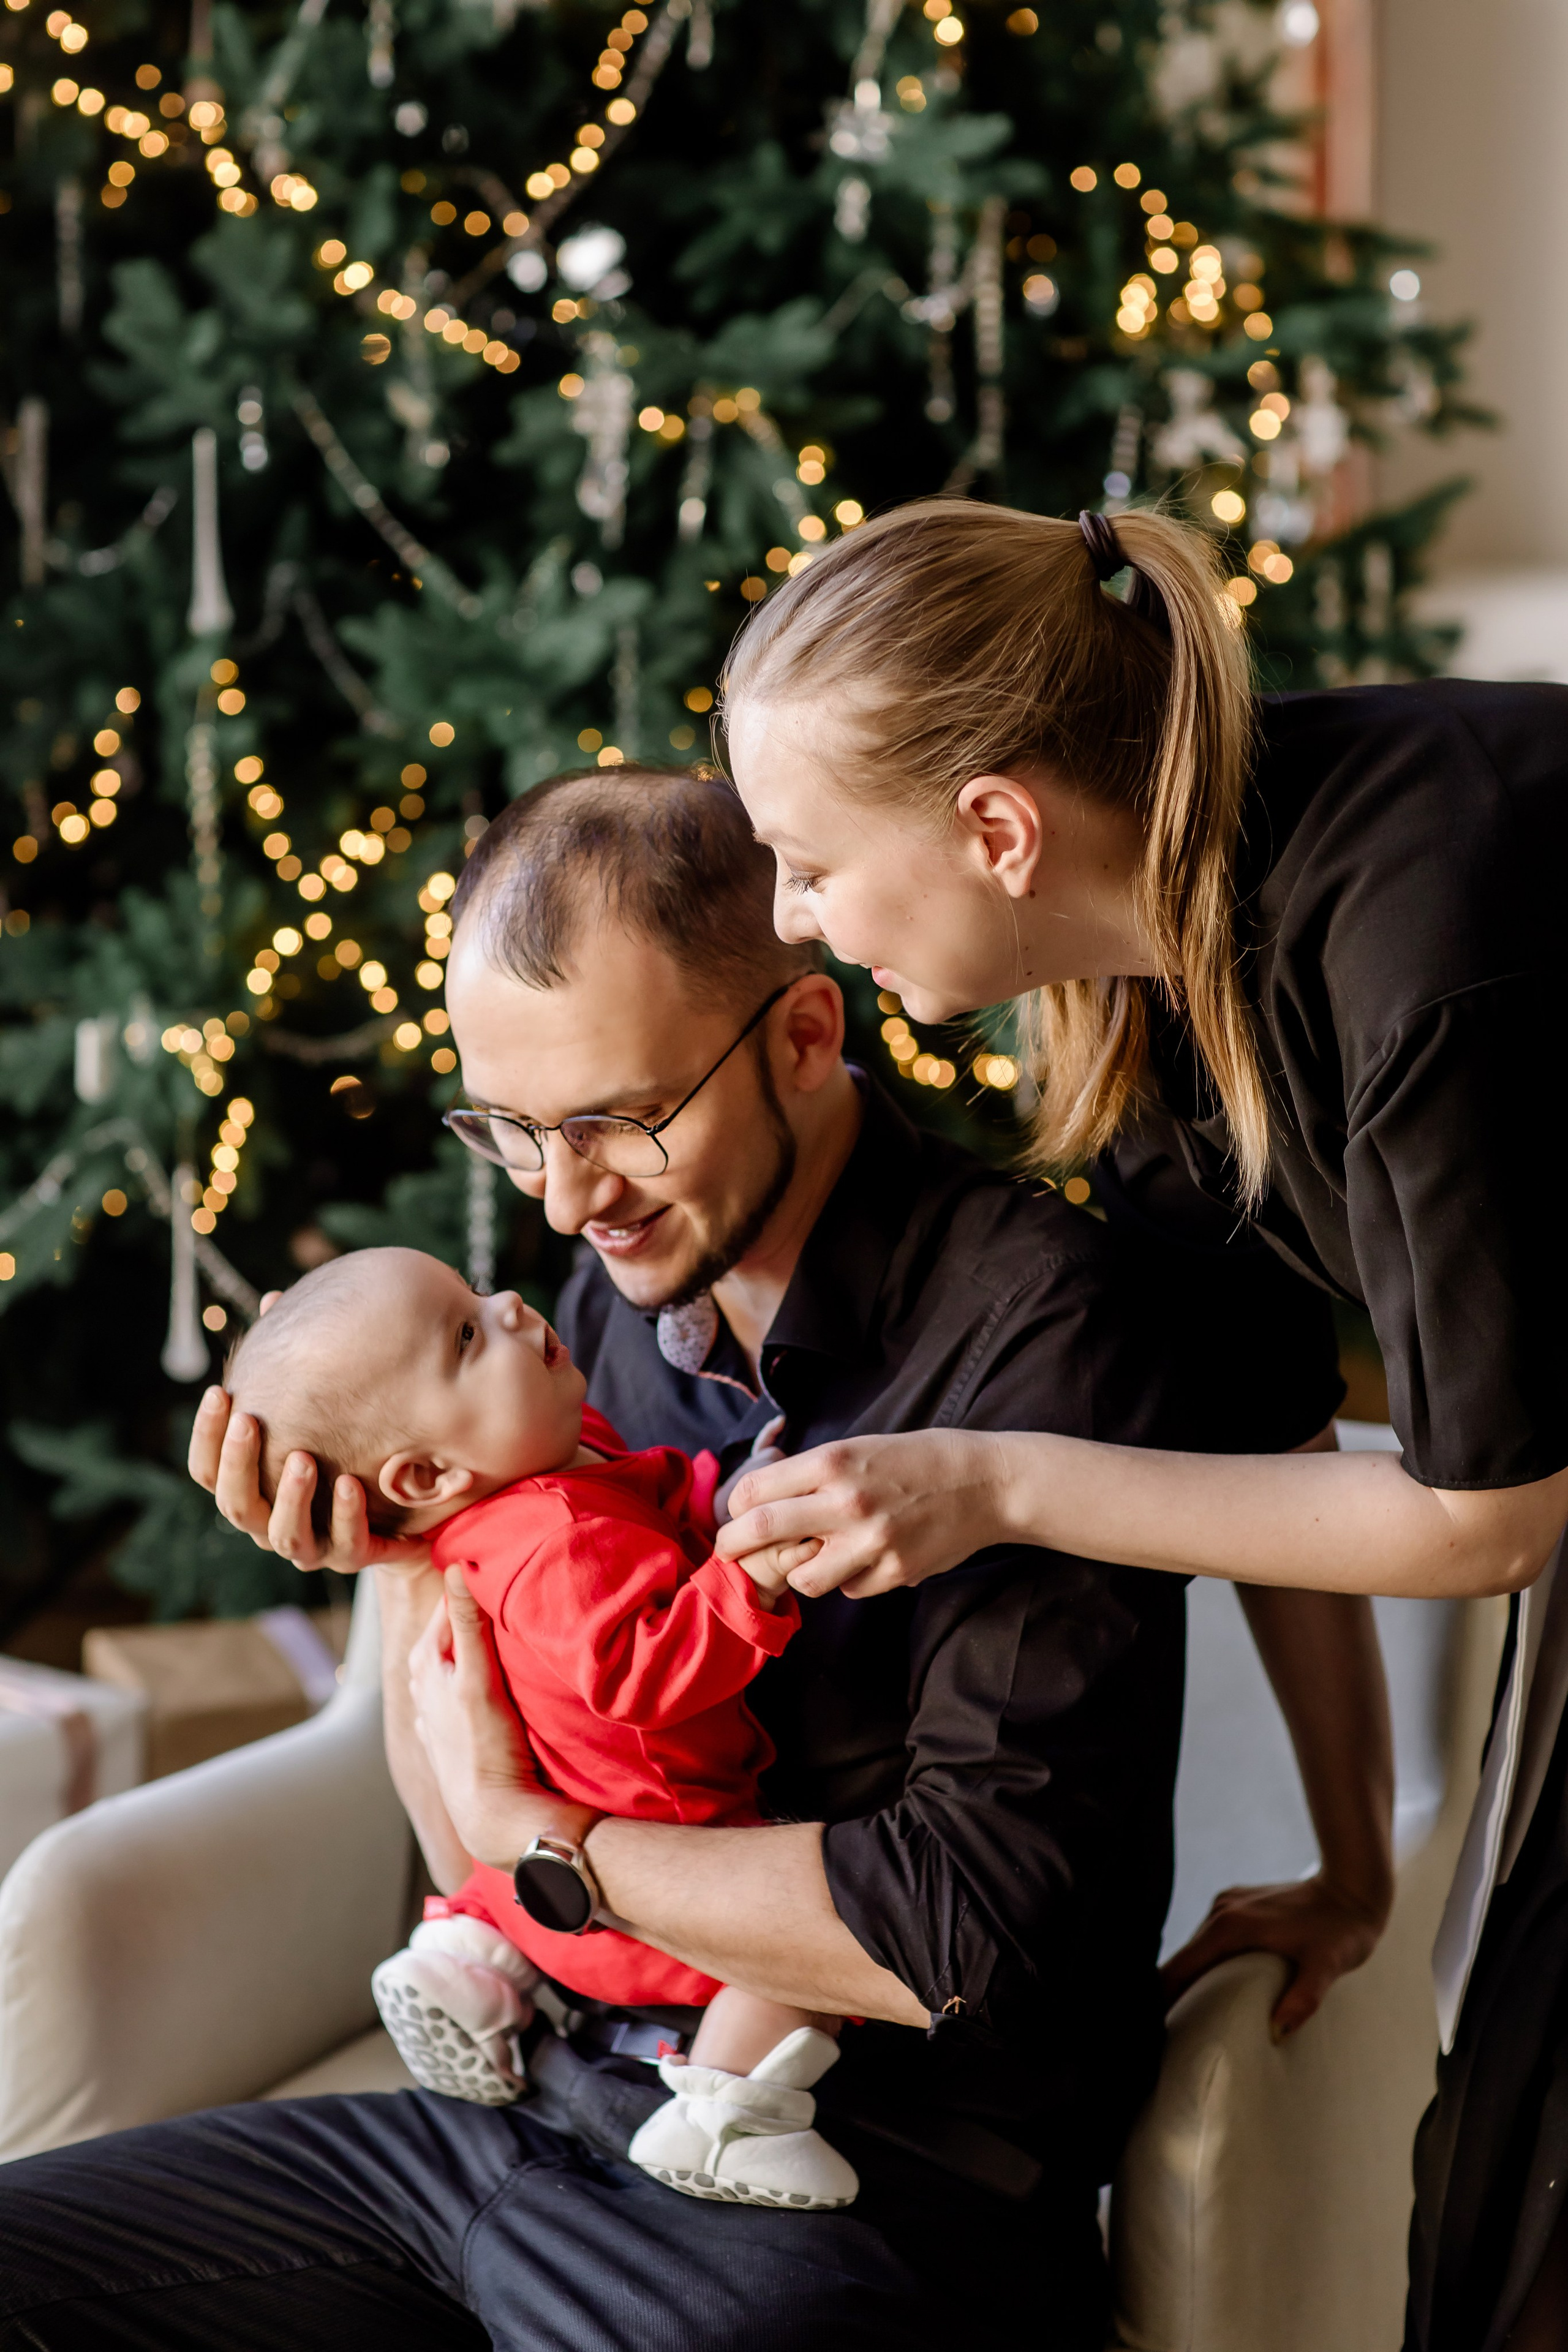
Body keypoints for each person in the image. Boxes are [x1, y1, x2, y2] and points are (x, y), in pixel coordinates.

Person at [0, 769, 1390, 2351]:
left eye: (620, 1122)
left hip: (842, 2197)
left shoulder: (1036, 1336)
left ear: (804, 1035)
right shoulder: (603, 1302)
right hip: (523, 2113)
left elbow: (967, 1938)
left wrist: (554, 1843)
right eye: (517, 1132)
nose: (563, 1200)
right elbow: (463, 1823)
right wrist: (405, 1554)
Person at [709, 498, 1568, 2352]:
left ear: (995, 829)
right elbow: (1268, 1454)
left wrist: (994, 1483)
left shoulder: (1418, 949)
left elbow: (1491, 1520)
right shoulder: (1161, 1003)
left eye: (808, 861)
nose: (789, 919)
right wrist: (1350, 1864)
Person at [224, 1243, 857, 2207]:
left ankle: (478, 1953)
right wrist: (749, 1578)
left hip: (539, 1851)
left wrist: (718, 1497)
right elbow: (645, 1671)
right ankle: (724, 2118)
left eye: (477, 1294)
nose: (513, 1305)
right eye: (467, 1336)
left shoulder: (539, 1455)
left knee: (516, 1870)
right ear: (427, 1473)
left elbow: (648, 1497)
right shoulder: (556, 1541)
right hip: (666, 1832)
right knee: (806, 1964)